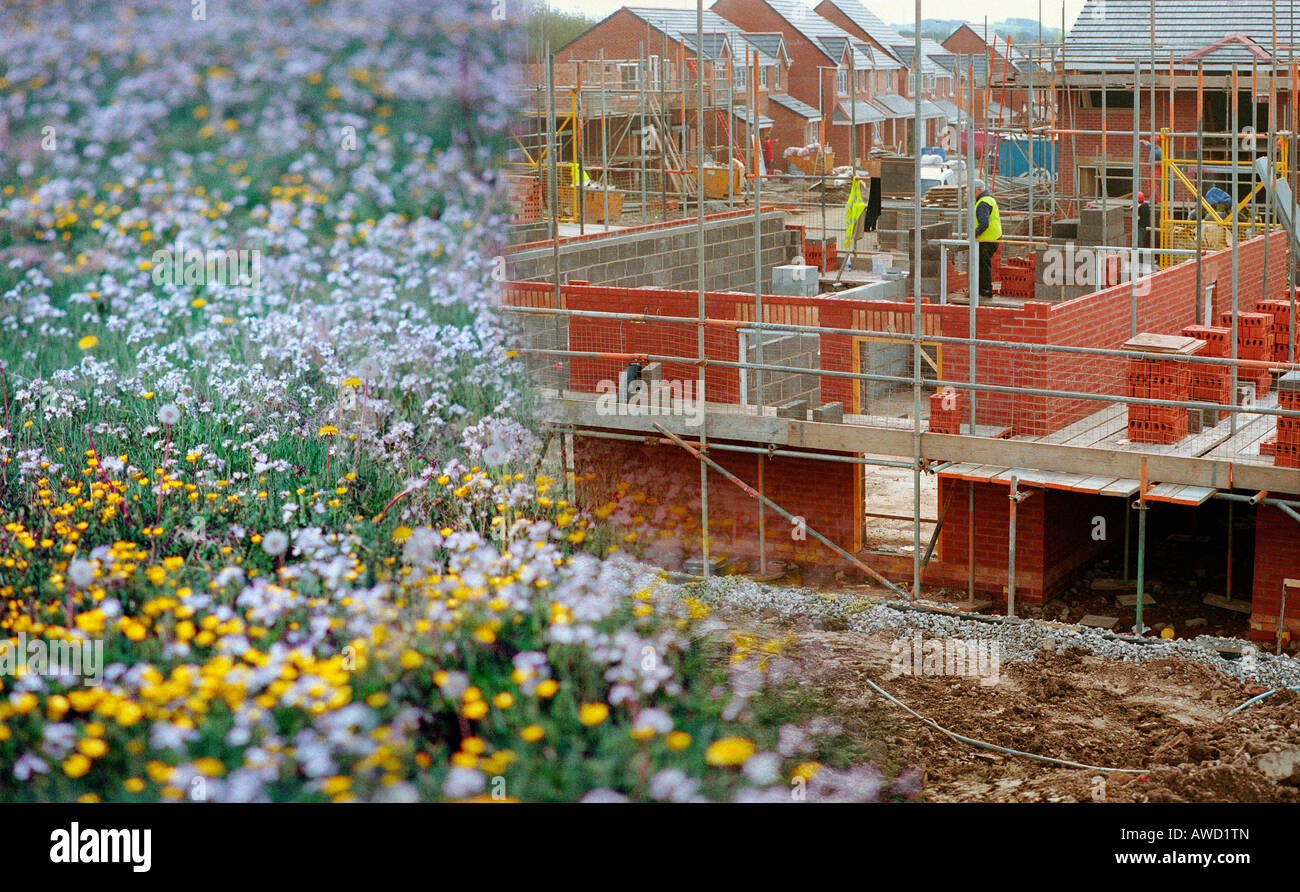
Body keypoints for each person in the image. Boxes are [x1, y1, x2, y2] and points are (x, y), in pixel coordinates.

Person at [973, 179, 1001, 299]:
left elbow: (984, 224)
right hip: (991, 238)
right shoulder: (988, 199)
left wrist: (973, 234)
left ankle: (985, 291)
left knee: (983, 266)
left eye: (972, 191)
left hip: (987, 239)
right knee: (982, 265)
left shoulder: (983, 203)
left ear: (978, 190)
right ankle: (982, 290)